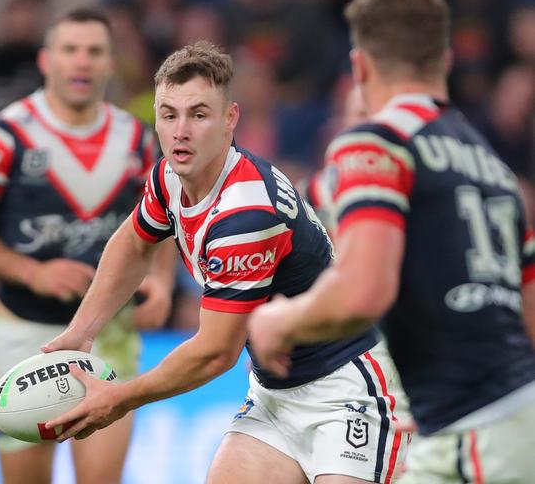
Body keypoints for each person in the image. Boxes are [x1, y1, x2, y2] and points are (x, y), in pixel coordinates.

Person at [42, 41, 410, 484]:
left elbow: (215, 352)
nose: (180, 131)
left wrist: (119, 398)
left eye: (198, 115)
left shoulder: (245, 214)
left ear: (229, 119)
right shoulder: (169, 176)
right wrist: (80, 333)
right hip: (276, 397)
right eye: (169, 114)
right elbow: (134, 244)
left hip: (350, 391)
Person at [247, 0, 535, 482]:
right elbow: (527, 317)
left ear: (359, 66)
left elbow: (363, 291)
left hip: (474, 433)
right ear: (445, 59)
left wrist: (280, 320)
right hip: (509, 419)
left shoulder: (375, 143)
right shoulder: (493, 167)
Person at [0, 7, 175, 484]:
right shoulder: (4, 135)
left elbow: (159, 219)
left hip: (108, 335)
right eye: (70, 50)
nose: (82, 62)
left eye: (94, 51)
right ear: (47, 61)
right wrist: (31, 272)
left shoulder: (138, 139)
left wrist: (163, 280)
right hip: (26, 336)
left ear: (111, 62)